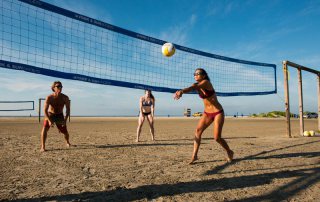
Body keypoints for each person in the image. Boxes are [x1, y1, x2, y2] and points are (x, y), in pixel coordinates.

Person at [174, 68, 234, 164]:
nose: (195, 75)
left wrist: (181, 91)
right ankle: (194, 156)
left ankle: (229, 151)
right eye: (194, 74)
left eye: (198, 73)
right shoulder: (196, 85)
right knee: (197, 131)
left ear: (204, 75)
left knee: (217, 138)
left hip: (218, 112)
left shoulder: (206, 83)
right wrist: (182, 91)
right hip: (207, 113)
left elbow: (193, 88)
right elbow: (191, 88)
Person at [40, 81, 71, 152]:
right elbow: (45, 110)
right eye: (58, 86)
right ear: (53, 88)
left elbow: (68, 110)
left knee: (65, 132)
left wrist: (65, 120)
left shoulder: (65, 97)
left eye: (61, 86)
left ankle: (67, 142)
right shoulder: (49, 97)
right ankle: (43, 146)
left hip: (60, 115)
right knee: (44, 129)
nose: (60, 88)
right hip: (50, 114)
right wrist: (49, 120)